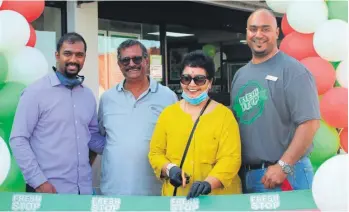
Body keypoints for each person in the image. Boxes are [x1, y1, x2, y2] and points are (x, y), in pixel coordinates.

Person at [230, 9, 320, 193]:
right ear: (246, 32)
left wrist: (284, 166)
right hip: (249, 176)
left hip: (287, 174)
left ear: (277, 32)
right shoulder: (240, 75)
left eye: (265, 29)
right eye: (253, 29)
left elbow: (310, 123)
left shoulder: (293, 71)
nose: (258, 35)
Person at [10, 32, 105, 194]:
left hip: (82, 191)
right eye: (67, 53)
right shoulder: (35, 92)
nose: (73, 59)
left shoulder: (88, 95)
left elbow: (92, 137)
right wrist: (38, 182)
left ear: (84, 57)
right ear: (57, 55)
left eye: (79, 55)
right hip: (48, 191)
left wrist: (120, 145)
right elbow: (18, 139)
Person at [149, 50, 242, 199]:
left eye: (199, 79)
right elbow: (156, 153)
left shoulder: (224, 116)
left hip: (217, 200)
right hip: (178, 200)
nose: (192, 84)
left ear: (210, 82)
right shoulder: (168, 114)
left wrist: (209, 183)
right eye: (186, 79)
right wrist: (170, 169)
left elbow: (231, 158)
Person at [98, 39, 178, 196]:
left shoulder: (168, 97)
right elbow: (100, 137)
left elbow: (176, 140)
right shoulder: (107, 99)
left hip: (154, 192)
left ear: (146, 60)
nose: (131, 63)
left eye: (137, 58)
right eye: (125, 60)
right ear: (119, 64)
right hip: (113, 190)